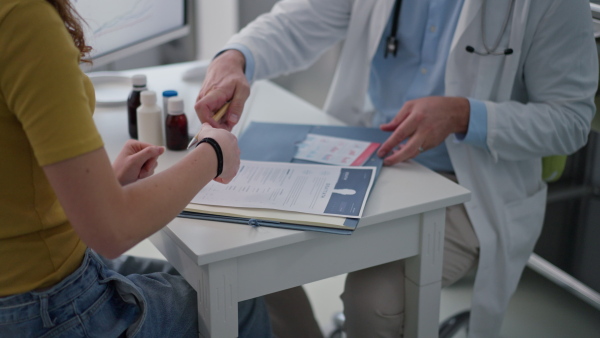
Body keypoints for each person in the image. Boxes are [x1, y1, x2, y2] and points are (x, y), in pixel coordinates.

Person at [194, 0, 598, 337]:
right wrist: (235, 59)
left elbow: (571, 121)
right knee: (244, 253)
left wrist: (464, 115)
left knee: (374, 303)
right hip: (363, 157)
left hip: (467, 184)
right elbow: (296, 21)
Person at [0, 0, 274, 337]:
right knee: (237, 299)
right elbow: (112, 231)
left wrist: (101, 188)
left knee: (209, 275)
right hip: (46, 305)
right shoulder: (24, 21)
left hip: (24, 279)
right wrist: (214, 152)